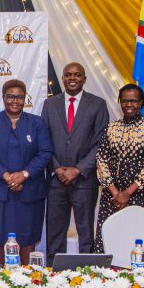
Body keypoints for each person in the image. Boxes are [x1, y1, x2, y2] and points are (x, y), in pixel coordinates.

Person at [0, 78, 53, 264]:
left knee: (27, 237)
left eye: (19, 97)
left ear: (25, 99)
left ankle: (27, 281)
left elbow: (45, 152)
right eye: (10, 96)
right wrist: (7, 177)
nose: (15, 101)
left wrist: (24, 175)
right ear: (3, 98)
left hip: (30, 191)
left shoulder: (37, 123)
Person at [42, 62, 109, 260]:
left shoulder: (97, 104)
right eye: (68, 74)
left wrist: (78, 169)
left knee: (86, 235)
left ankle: (87, 279)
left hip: (85, 181)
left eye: (77, 75)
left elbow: (101, 143)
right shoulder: (50, 104)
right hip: (56, 181)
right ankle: (53, 277)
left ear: (84, 79)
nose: (72, 78)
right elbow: (44, 141)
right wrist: (57, 168)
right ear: (62, 78)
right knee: (54, 235)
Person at [94, 84, 144, 254]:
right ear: (120, 102)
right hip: (113, 198)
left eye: (133, 101)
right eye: (125, 101)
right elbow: (101, 161)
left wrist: (128, 193)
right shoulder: (111, 128)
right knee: (112, 241)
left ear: (141, 103)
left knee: (141, 242)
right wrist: (115, 193)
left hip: (143, 195)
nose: (129, 105)